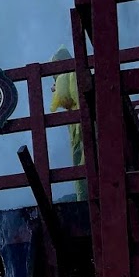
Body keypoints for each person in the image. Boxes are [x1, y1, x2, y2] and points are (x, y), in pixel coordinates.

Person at [48, 46, 87, 201]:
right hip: (85, 122)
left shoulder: (65, 77)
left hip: (78, 126)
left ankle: (85, 201)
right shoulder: (78, 72)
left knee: (81, 164)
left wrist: (57, 88)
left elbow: (64, 99)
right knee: (88, 161)